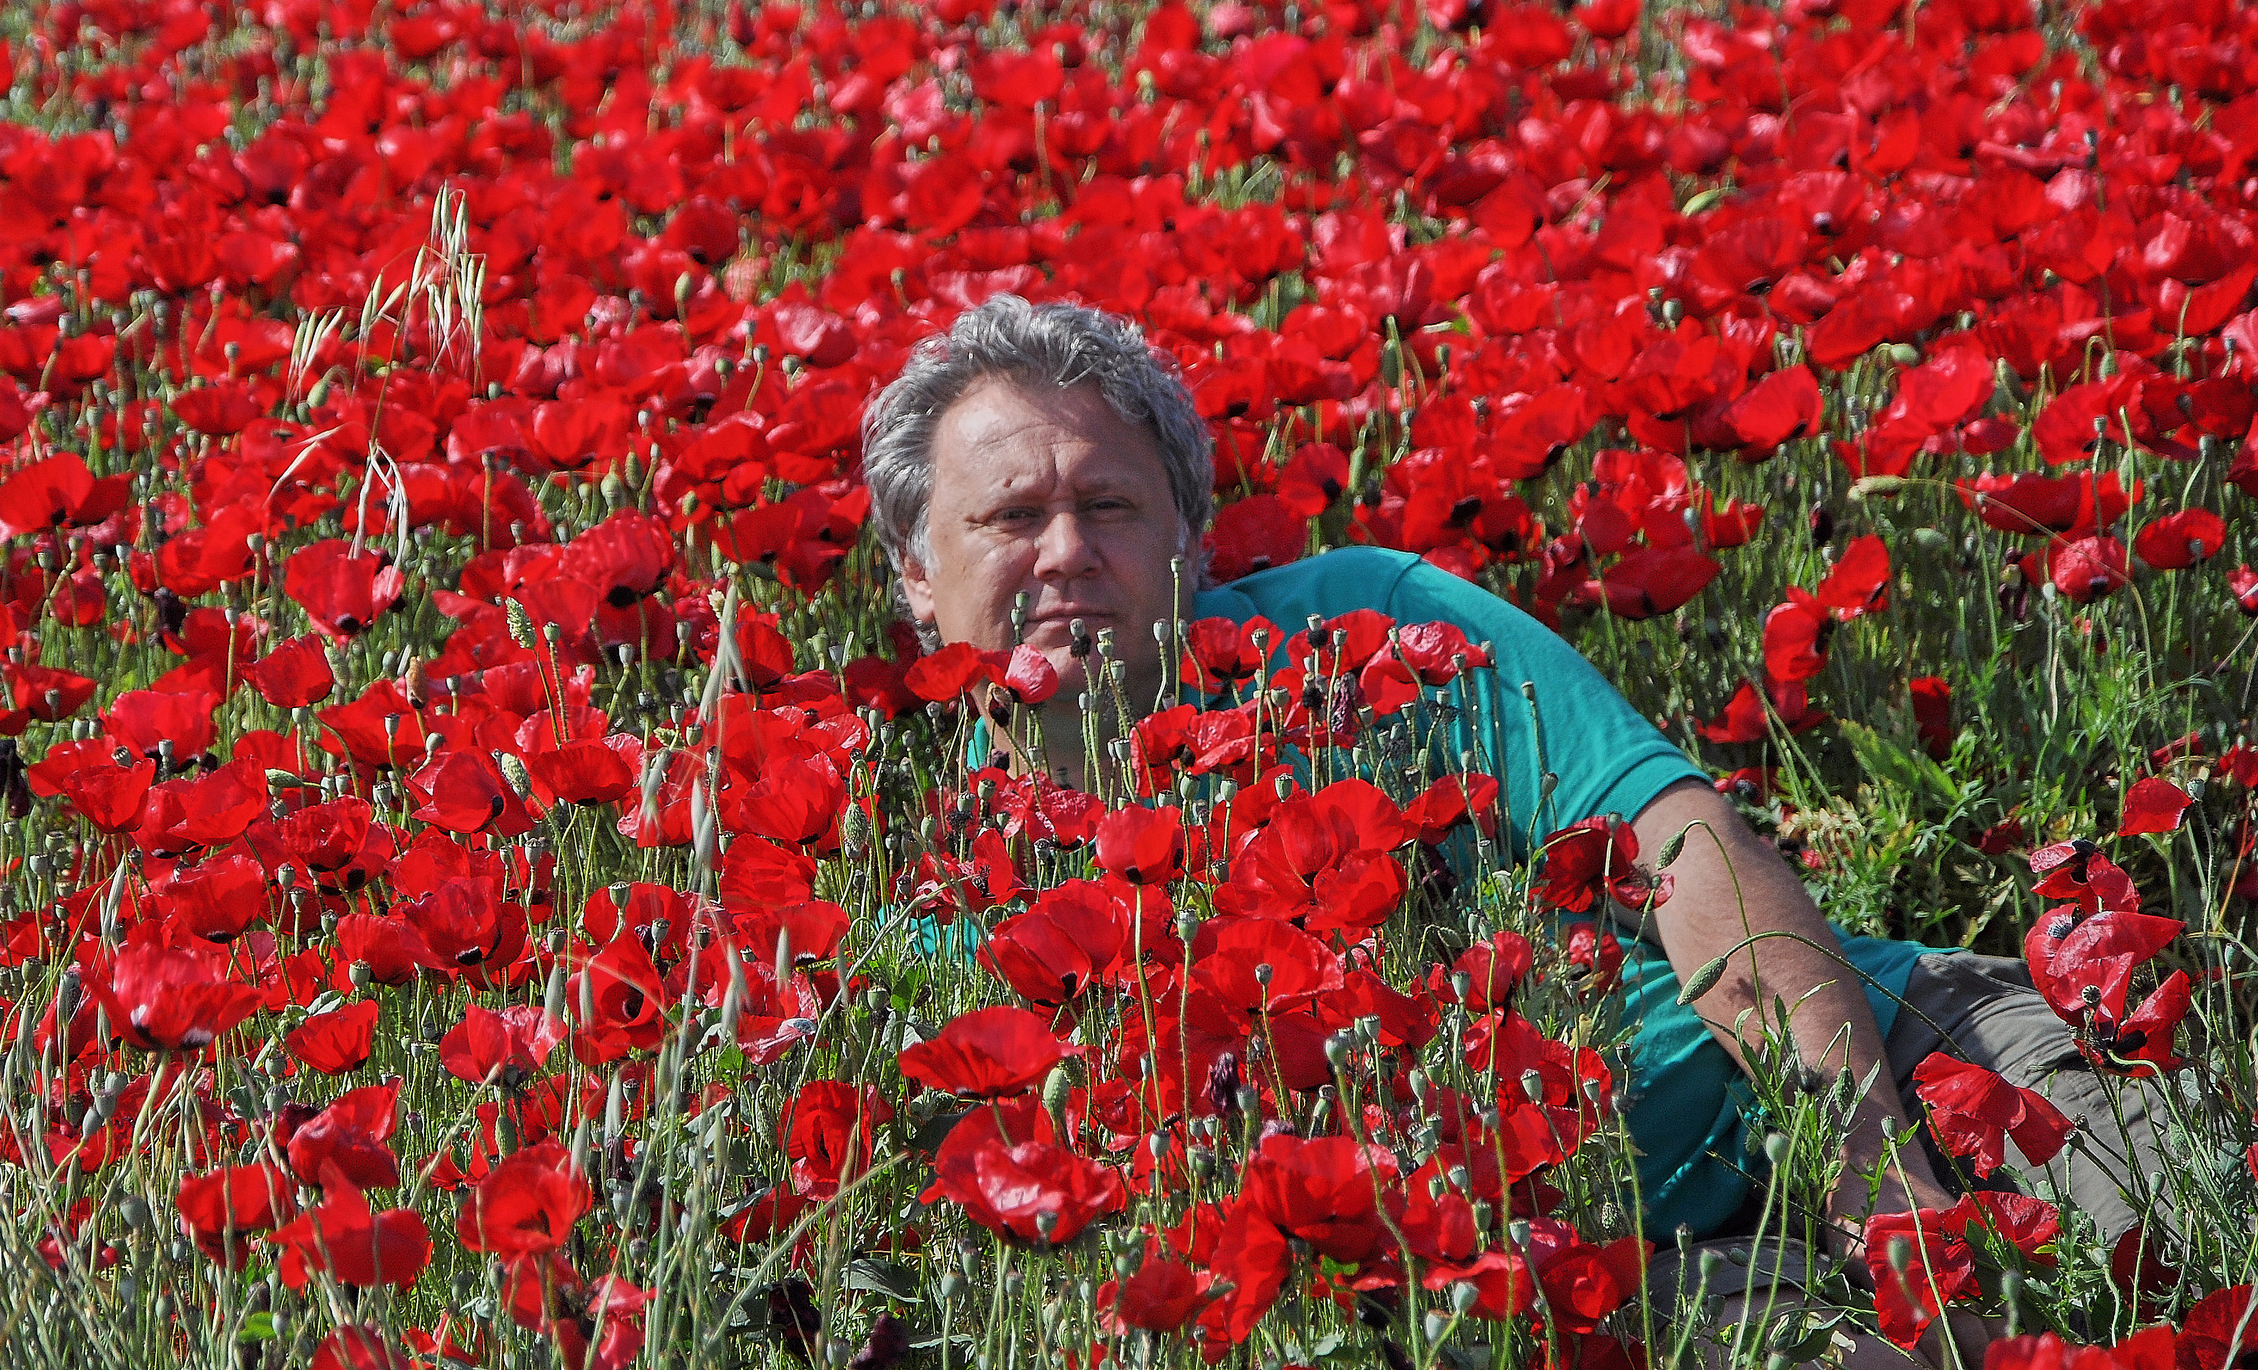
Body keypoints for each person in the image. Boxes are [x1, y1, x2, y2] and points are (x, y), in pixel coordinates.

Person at [860, 295, 2170, 1357]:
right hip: (1613, 1264)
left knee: (2174, 1229)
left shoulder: (1367, 626)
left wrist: (1883, 1196)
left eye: (1110, 507)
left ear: (1190, 543)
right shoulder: (939, 911)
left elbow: (1685, 851)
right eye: (1012, 517)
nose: (1068, 552)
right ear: (917, 574)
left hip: (1888, 1060)